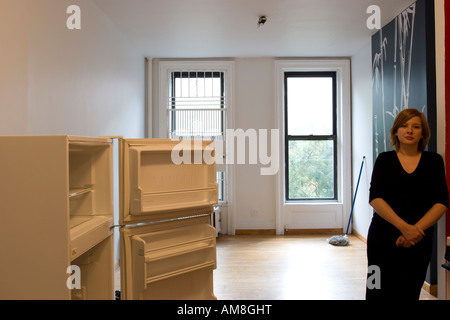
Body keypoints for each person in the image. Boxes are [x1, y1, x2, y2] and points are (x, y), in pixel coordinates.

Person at [366, 108, 449, 300]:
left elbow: (441, 201)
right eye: (404, 126)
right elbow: (375, 197)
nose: (409, 130)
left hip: (419, 239)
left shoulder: (434, 161)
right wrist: (404, 228)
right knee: (375, 286)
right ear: (396, 131)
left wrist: (414, 231)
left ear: (423, 133)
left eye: (415, 126)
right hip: (381, 239)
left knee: (409, 291)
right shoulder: (384, 159)